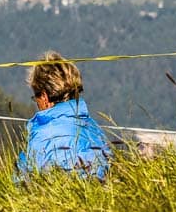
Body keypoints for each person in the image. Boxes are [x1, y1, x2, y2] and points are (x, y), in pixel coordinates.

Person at [17, 51, 110, 180]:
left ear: (44, 97)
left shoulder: (42, 136)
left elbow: (24, 183)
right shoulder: (95, 130)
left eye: (35, 97)